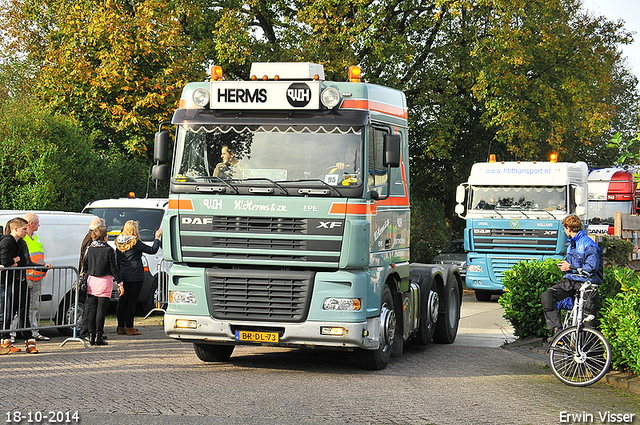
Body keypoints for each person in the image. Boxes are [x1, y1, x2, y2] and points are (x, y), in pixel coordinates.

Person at [541, 215, 603, 340]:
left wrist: (570, 267)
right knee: (547, 295)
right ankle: (558, 332)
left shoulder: (588, 244)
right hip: (570, 282)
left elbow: (592, 267)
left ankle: (585, 354)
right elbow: (570, 266)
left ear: (568, 228)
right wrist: (565, 267)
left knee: (587, 323)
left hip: (587, 283)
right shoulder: (571, 244)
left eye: (564, 228)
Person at [0, 217, 50, 354]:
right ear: (15, 229)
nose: (26, 231)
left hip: (21, 281)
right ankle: (4, 342)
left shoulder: (22, 243)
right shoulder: (6, 241)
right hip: (8, 282)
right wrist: (14, 261)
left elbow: (26, 261)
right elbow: (5, 262)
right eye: (24, 229)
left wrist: (42, 267)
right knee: (7, 312)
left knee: (24, 312)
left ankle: (29, 342)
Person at [115, 220, 162, 336]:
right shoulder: (135, 241)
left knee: (122, 302)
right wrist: (157, 238)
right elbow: (152, 250)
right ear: (134, 230)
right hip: (135, 274)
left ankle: (120, 326)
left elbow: (118, 261)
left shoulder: (118, 241)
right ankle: (130, 327)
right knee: (132, 302)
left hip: (124, 274)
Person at [83, 226, 123, 346]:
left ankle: (90, 335)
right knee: (101, 309)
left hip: (92, 280)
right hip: (105, 281)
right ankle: (99, 336)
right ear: (105, 237)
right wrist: (120, 283)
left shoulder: (89, 249)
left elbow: (85, 266)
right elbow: (113, 268)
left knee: (91, 309)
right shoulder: (108, 250)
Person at [77, 217, 107, 341]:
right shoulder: (91, 240)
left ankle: (91, 331)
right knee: (90, 306)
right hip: (91, 276)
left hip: (89, 275)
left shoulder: (88, 237)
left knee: (90, 306)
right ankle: (86, 332)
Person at [23, 213, 50, 341]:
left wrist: (44, 266)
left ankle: (33, 332)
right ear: (30, 223)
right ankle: (11, 333)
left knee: (34, 306)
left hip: (37, 277)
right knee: (20, 306)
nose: (39, 225)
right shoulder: (23, 239)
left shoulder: (35, 237)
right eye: (37, 222)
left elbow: (38, 256)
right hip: (26, 276)